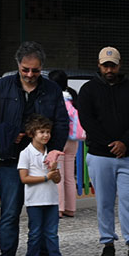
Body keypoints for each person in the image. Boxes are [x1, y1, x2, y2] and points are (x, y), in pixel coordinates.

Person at [0, 41, 68, 256]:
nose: (30, 74)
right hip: (10, 157)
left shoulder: (52, 90)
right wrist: (5, 131)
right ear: (18, 65)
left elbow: (61, 122)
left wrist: (55, 150)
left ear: (42, 68)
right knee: (10, 210)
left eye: (35, 70)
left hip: (42, 160)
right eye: (25, 69)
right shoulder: (1, 87)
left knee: (44, 210)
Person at [76, 46, 129, 256]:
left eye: (113, 65)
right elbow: (87, 120)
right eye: (105, 65)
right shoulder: (88, 90)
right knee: (104, 202)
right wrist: (111, 144)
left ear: (119, 65)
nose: (109, 69)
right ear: (99, 65)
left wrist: (124, 142)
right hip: (100, 155)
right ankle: (107, 243)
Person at [16, 114, 65, 256]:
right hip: (34, 200)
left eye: (48, 132)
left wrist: (54, 171)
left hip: (51, 199)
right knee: (35, 233)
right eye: (42, 132)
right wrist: (46, 177)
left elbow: (57, 179)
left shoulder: (51, 153)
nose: (46, 135)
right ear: (32, 133)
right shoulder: (26, 153)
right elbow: (24, 178)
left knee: (52, 232)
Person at [47, 70, 83, 219]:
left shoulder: (53, 97)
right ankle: (71, 208)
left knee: (58, 174)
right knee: (69, 175)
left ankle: (59, 208)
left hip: (59, 140)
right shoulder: (73, 96)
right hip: (74, 140)